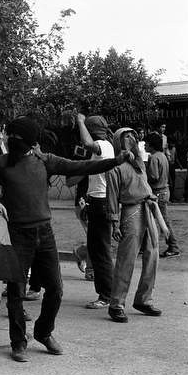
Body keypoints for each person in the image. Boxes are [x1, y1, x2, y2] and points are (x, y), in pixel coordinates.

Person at [0, 115, 128, 362]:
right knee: (16, 291)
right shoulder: (1, 164)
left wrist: (116, 161)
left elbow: (82, 167)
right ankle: (18, 341)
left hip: (45, 233)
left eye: (16, 138)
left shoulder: (45, 161)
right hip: (17, 236)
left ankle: (43, 332)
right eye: (11, 137)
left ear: (29, 141)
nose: (12, 141)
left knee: (56, 289)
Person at [106, 128, 164, 323]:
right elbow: (112, 196)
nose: (132, 139)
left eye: (133, 136)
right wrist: (115, 223)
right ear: (118, 142)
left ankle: (143, 300)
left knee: (152, 254)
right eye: (127, 136)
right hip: (131, 212)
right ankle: (116, 304)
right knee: (126, 258)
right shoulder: (115, 168)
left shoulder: (139, 163)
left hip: (148, 208)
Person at [76, 115, 115, 309]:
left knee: (101, 250)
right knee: (96, 248)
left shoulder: (103, 145)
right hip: (97, 201)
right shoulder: (105, 145)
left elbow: (87, 142)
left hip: (101, 202)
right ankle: (106, 292)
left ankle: (106, 295)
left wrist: (80, 121)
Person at [145, 133, 180, 258]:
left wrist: (145, 176)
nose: (144, 145)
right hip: (164, 190)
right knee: (160, 220)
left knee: (162, 221)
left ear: (151, 145)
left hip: (158, 192)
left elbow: (154, 177)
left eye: (146, 143)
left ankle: (173, 246)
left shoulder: (154, 157)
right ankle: (147, 245)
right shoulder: (163, 156)